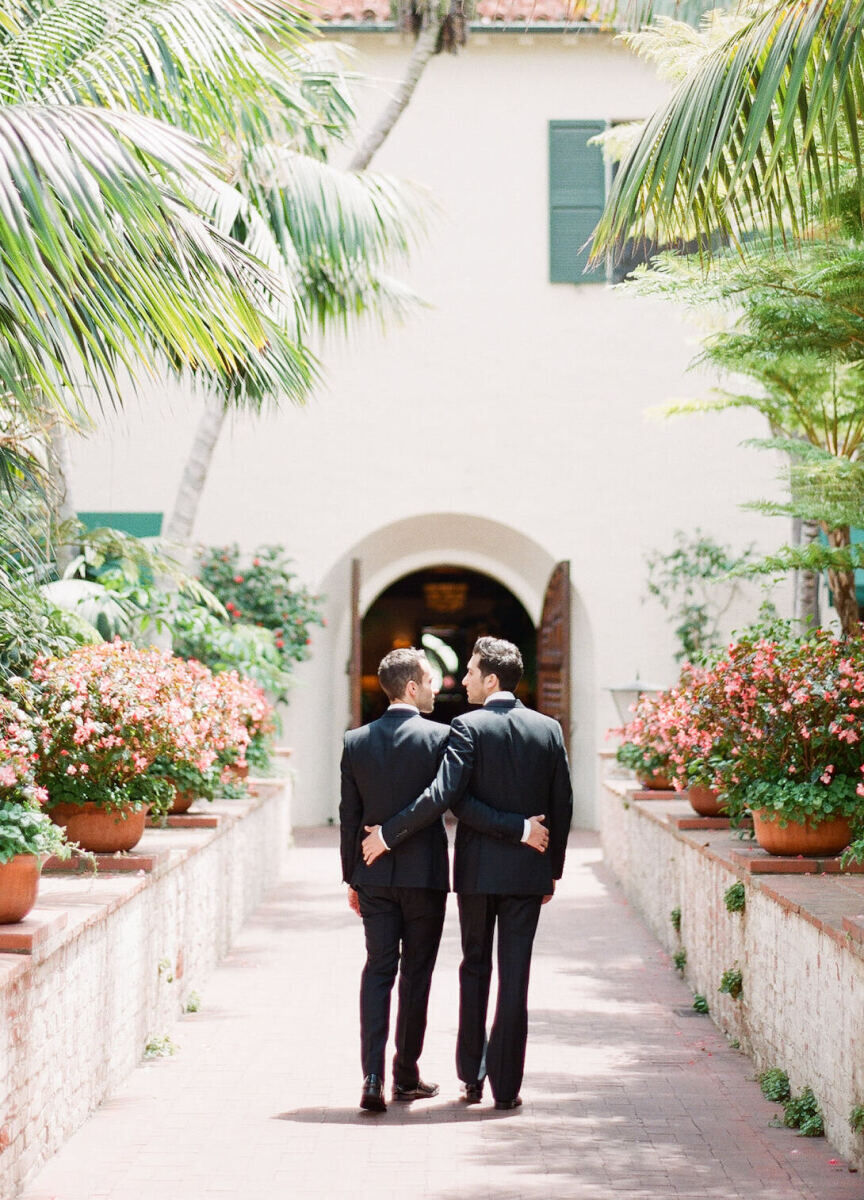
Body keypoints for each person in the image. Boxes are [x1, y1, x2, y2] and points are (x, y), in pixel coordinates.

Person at [362, 636, 572, 1111]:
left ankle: (472, 1077)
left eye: (473, 672)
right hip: (528, 872)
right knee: (515, 978)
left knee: (475, 968)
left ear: (491, 679)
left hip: (477, 873)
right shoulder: (549, 730)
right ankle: (508, 1087)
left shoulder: (465, 727)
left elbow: (455, 798)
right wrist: (549, 864)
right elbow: (563, 803)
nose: (467, 680)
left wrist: (512, 830)